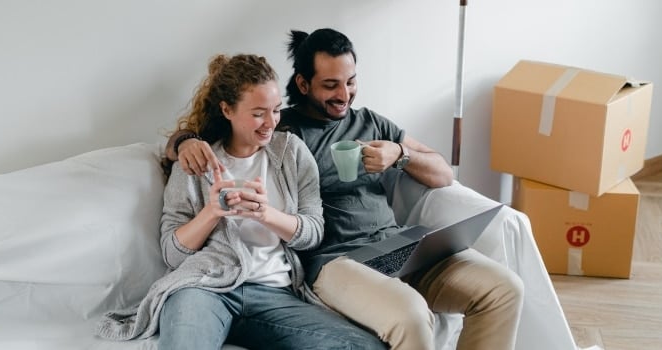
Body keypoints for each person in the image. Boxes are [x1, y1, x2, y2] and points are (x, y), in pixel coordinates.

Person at [166, 29, 525, 350]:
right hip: (337, 261)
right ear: (304, 84)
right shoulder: (284, 133)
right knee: (411, 315)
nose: (344, 94)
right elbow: (215, 134)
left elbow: (442, 173)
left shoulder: (371, 122)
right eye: (331, 85)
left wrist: (399, 154)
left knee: (503, 289)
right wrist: (184, 142)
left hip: (397, 245)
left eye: (350, 82)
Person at [96, 53, 387, 350]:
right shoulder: (196, 161)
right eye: (258, 113)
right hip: (204, 289)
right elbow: (173, 253)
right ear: (227, 110)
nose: (271, 122)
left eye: (275, 110)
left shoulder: (292, 153)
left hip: (275, 294)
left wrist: (266, 214)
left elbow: (313, 233)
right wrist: (211, 212)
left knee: (364, 347)